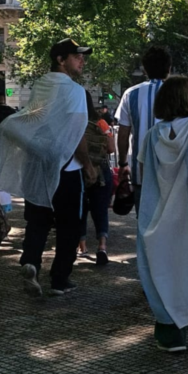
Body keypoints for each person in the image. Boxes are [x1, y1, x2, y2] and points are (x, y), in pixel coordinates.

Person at [0, 39, 95, 297]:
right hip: (67, 169)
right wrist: (88, 164)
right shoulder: (74, 92)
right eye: (76, 56)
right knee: (69, 225)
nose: (82, 60)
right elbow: (77, 133)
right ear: (61, 59)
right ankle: (59, 279)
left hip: (37, 164)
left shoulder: (41, 85)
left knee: (37, 218)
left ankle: (31, 262)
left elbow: (34, 120)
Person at [137, 77, 188, 352]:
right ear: (185, 99)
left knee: (162, 269)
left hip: (158, 214)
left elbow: (144, 173)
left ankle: (170, 330)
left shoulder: (151, 136)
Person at [117, 45, 171, 214]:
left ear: (145, 69)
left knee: (145, 224)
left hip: (141, 173)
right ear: (168, 68)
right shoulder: (175, 93)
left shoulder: (130, 94)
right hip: (171, 172)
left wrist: (123, 163)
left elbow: (123, 134)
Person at [77, 91, 115, 265]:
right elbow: (111, 148)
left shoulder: (75, 122)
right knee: (100, 210)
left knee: (81, 210)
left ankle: (82, 247)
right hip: (101, 172)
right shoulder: (101, 122)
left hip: (80, 172)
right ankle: (102, 246)